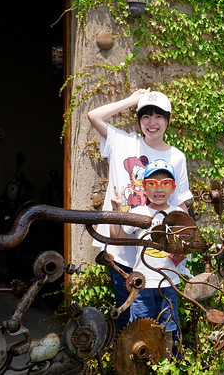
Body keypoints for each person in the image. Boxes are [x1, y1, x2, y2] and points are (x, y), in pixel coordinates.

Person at [88, 89, 192, 331]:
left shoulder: (176, 157)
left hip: (155, 253)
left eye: (158, 116)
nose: (151, 122)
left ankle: (163, 363)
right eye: (145, 116)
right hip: (121, 246)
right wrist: (131, 100)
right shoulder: (123, 142)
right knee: (128, 318)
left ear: (169, 120)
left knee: (164, 317)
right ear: (138, 120)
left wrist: (185, 243)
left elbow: (180, 205)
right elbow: (94, 115)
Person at [118, 159, 185, 355]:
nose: (159, 189)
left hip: (169, 283)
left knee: (168, 328)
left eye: (165, 183)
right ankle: (139, 365)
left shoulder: (178, 214)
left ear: (172, 188)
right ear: (144, 188)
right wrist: (117, 210)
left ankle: (165, 364)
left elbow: (188, 244)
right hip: (142, 284)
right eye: (152, 184)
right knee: (139, 329)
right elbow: (120, 237)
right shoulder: (138, 213)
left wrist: (182, 251)